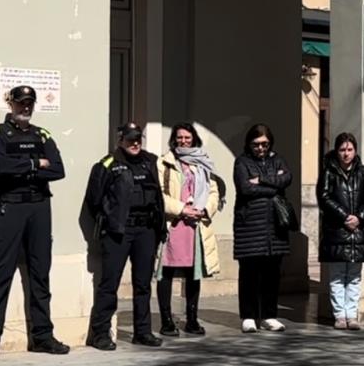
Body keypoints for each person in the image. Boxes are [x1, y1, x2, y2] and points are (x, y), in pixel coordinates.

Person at [0, 85, 69, 360]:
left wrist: (27, 165)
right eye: (21, 102)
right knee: (0, 274)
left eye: (30, 102)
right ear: (11, 104)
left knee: (40, 273)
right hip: (10, 206)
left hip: (39, 208)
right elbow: (2, 168)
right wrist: (35, 163)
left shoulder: (42, 134)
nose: (26, 107)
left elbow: (58, 169)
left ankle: (42, 336)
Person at [87, 123, 167, 350]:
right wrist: (110, 221)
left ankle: (142, 331)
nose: (135, 143)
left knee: (143, 284)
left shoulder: (149, 162)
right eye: (130, 139)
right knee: (109, 283)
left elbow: (158, 196)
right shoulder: (107, 164)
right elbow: (93, 200)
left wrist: (159, 226)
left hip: (146, 230)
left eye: (138, 139)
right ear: (120, 140)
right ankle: (100, 333)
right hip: (119, 232)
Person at [156, 123, 220, 337]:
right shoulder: (164, 162)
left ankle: (192, 319)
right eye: (179, 138)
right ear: (174, 139)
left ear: (194, 139)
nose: (183, 141)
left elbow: (213, 192)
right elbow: (159, 195)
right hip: (174, 224)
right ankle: (166, 320)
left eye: (187, 137)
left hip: (196, 226)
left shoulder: (203, 162)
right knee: (166, 273)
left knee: (194, 275)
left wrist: (204, 210)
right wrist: (183, 209)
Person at [233, 124, 292, 334]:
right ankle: (248, 316)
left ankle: (269, 315)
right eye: (256, 144)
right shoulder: (242, 162)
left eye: (265, 144)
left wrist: (262, 180)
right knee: (249, 274)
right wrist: (273, 187)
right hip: (249, 227)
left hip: (274, 229)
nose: (261, 148)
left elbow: (286, 178)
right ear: (249, 144)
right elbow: (245, 188)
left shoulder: (278, 159)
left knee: (271, 274)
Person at [318, 132, 364, 330]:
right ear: (337, 151)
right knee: (337, 276)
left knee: (354, 276)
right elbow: (324, 197)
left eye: (350, 149)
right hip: (336, 231)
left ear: (355, 150)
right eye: (342, 149)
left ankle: (352, 315)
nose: (346, 153)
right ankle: (339, 315)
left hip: (358, 232)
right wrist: (344, 216)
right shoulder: (328, 173)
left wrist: (359, 217)